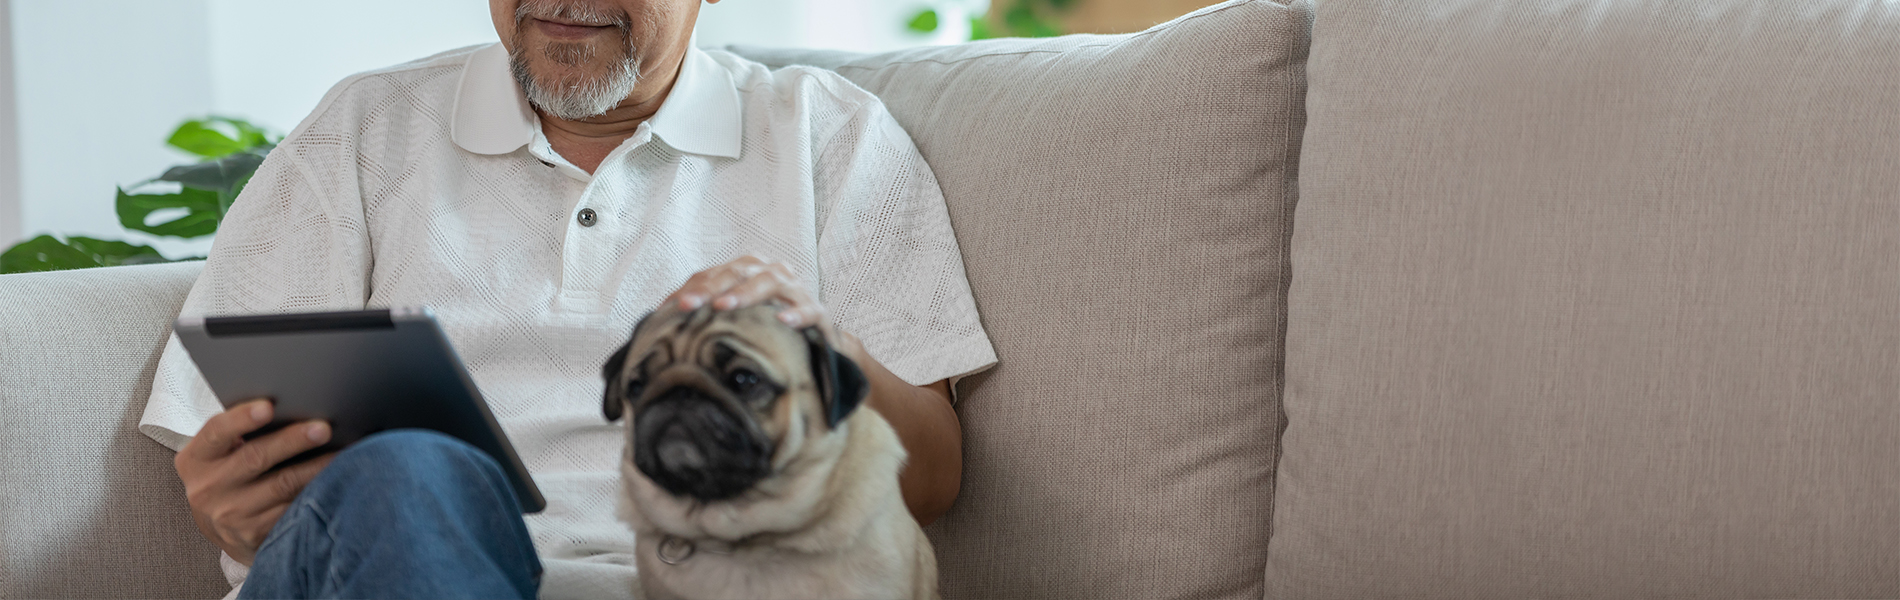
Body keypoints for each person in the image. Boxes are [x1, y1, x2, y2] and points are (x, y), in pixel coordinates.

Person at [138, 0, 997, 597]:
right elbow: (239, 463)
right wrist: (231, 506)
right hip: (385, 567)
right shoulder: (364, 130)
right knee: (410, 472)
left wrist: (818, 342)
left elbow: (931, 479)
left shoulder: (829, 135)